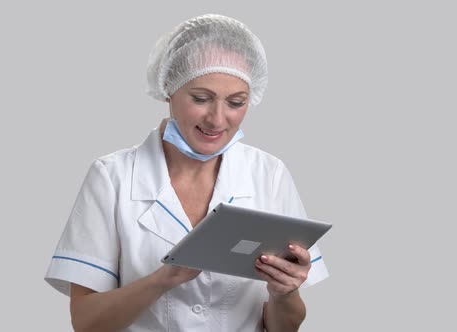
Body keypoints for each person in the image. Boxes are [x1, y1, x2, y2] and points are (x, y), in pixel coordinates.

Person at [44, 14, 329, 332]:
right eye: (201, 98)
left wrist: (283, 293)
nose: (217, 120)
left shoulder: (269, 175)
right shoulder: (112, 177)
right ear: (168, 89)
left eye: (236, 102)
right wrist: (163, 280)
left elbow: (284, 327)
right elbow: (86, 323)